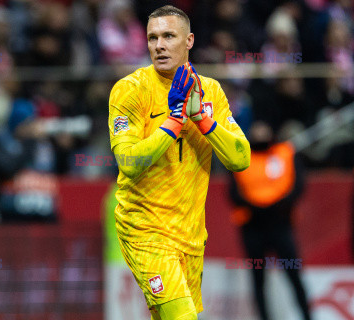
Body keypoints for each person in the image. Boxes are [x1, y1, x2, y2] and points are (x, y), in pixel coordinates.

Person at [108, 5, 251, 320]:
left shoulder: (211, 91)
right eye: (152, 38)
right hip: (145, 228)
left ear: (189, 40)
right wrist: (174, 121)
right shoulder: (130, 90)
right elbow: (128, 162)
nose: (158, 45)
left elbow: (241, 159)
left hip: (190, 234)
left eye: (168, 36)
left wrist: (202, 119)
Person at [229, 121, 311, 320]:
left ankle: (308, 316)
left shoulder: (285, 152)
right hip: (253, 227)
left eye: (263, 130)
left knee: (293, 272)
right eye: (255, 131)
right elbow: (233, 193)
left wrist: (279, 205)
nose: (260, 135)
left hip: (280, 224)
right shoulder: (241, 156)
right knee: (258, 276)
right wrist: (258, 208)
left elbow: (298, 185)